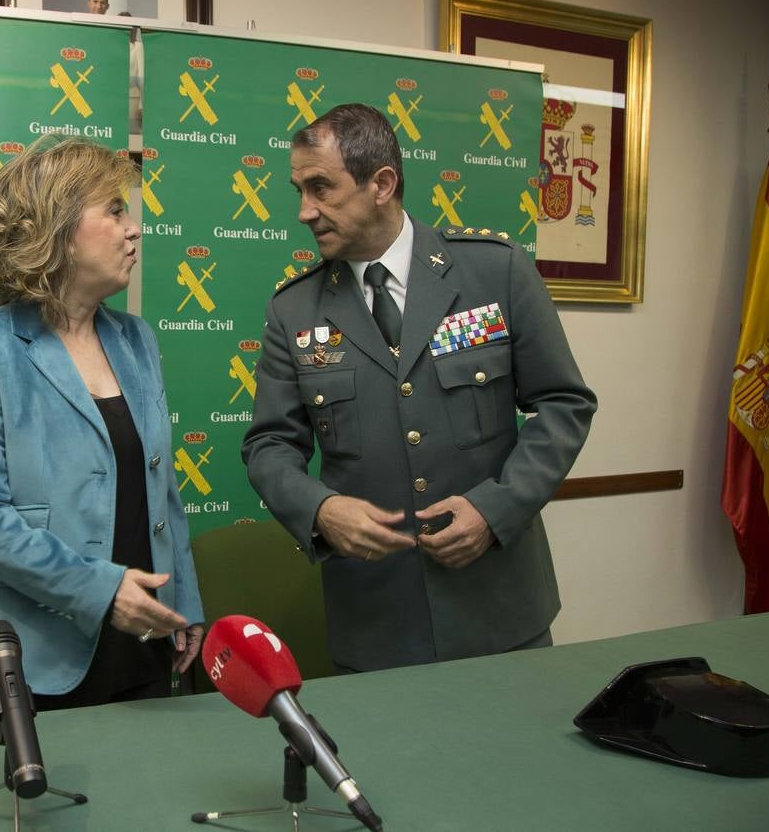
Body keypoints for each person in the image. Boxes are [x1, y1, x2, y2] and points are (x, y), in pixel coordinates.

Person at [242, 103, 596, 673]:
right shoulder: (294, 309)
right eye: (299, 190)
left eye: (321, 188)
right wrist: (321, 509)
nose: (305, 211)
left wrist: (495, 509)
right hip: (377, 622)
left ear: (381, 183)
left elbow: (564, 404)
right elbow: (268, 447)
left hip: (500, 612)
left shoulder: (494, 271)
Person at [0, 135, 203, 709]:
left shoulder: (137, 340)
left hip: (146, 636)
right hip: (32, 655)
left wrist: (186, 604)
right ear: (58, 228)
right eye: (114, 211)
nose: (134, 229)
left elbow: (163, 492)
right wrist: (103, 591)